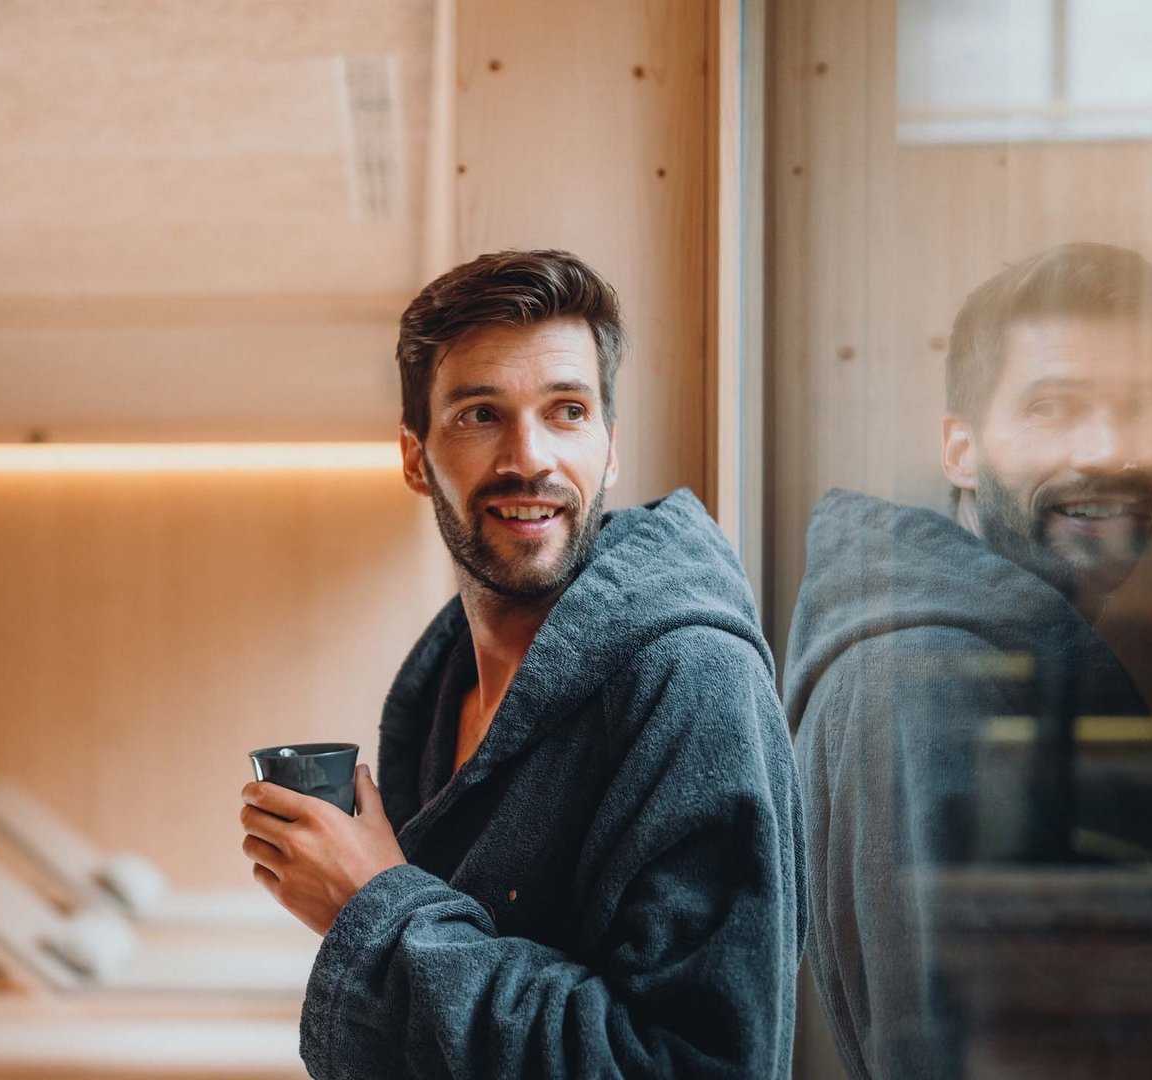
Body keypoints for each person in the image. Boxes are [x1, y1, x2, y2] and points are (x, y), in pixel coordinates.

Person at [237, 249, 805, 1078]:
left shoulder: (691, 683)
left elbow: (696, 1063)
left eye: (567, 410)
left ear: (608, 448)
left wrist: (375, 906)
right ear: (413, 457)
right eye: (479, 415)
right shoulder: (440, 690)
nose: (529, 457)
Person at [785, 242, 1152, 1080]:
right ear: (961, 450)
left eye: (1148, 408)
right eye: (1056, 407)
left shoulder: (1012, 655)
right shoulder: (923, 681)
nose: (1111, 449)